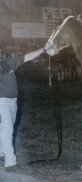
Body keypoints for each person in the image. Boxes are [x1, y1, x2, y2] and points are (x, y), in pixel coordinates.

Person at [0, 42, 52, 171]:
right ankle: (10, 163)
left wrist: (44, 49)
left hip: (12, 101)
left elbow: (27, 57)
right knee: (7, 130)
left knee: (6, 129)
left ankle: (2, 154)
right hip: (2, 101)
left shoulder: (9, 62)